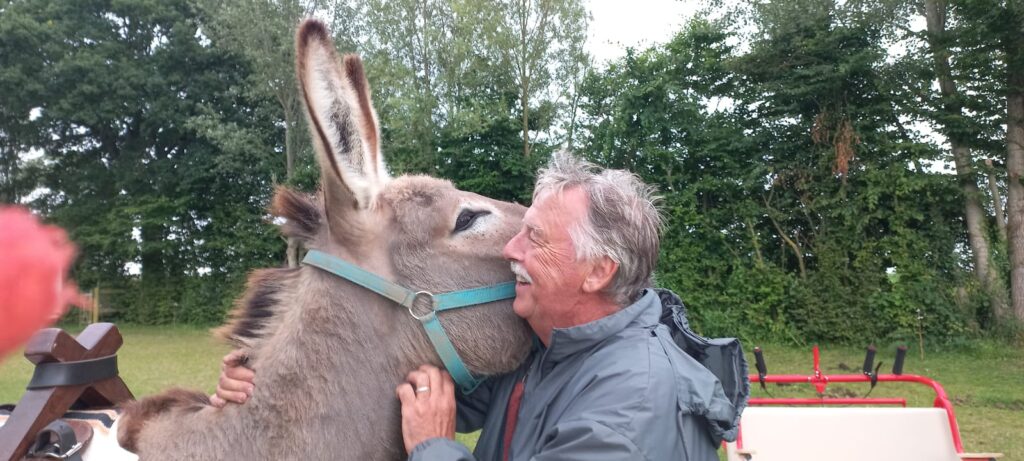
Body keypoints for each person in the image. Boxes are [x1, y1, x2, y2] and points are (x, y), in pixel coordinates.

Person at [213, 153, 737, 460]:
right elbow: (410, 401)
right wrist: (270, 388)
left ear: (598, 272)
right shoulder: (550, 350)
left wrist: (436, 449)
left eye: (535, 239)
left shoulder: (631, 409)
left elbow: (432, 429)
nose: (511, 250)